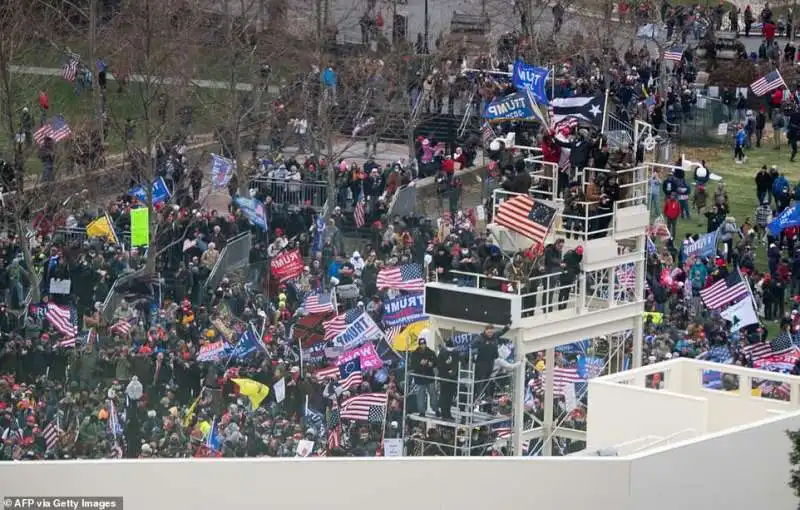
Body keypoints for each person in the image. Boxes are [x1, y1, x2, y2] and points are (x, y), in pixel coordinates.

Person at [410, 330, 437, 417]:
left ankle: (436, 409)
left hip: (429, 376)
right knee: (420, 395)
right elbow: (413, 365)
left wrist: (431, 364)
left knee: (433, 393)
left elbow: (435, 361)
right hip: (420, 378)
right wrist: (419, 363)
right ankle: (422, 411)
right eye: (421, 344)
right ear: (419, 344)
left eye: (424, 344)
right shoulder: (414, 354)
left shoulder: (430, 352)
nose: (422, 346)